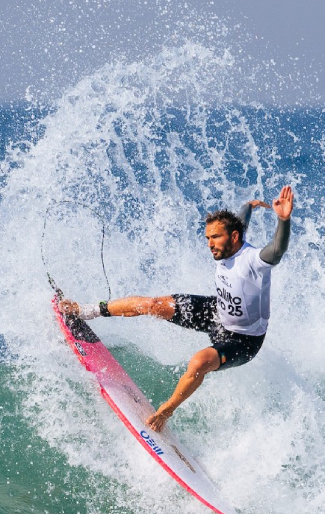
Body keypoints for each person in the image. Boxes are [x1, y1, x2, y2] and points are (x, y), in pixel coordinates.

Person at [62, 185, 295, 431]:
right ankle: (86, 310)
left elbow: (277, 250)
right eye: (207, 238)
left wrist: (283, 220)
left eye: (215, 237)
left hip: (243, 340)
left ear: (234, 237)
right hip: (217, 312)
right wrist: (248, 206)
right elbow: (240, 223)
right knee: (153, 304)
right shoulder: (228, 244)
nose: (210, 244)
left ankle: (166, 411)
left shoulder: (254, 261)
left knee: (199, 362)